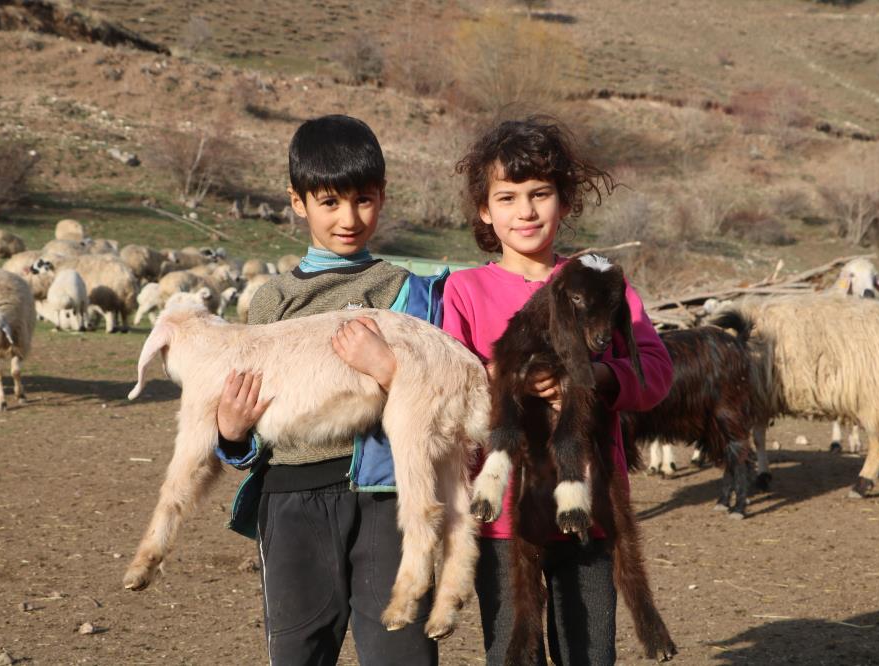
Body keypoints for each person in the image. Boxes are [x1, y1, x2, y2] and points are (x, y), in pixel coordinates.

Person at [213, 114, 445, 666]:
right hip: (291, 499)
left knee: (402, 653)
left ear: (382, 198)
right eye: (330, 202)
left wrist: (387, 366)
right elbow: (253, 423)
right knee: (299, 651)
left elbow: (438, 397)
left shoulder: (406, 291)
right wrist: (230, 433)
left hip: (389, 498)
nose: (348, 218)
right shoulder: (272, 301)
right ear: (298, 202)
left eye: (363, 200)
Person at [442, 116, 673, 666]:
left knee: (590, 652)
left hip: (588, 506)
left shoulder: (599, 282)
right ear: (484, 209)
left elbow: (655, 374)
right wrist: (514, 381)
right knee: (512, 651)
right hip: (501, 517)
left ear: (564, 202)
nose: (525, 211)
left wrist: (595, 378)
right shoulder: (465, 290)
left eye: (540, 194)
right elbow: (453, 384)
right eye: (507, 197)